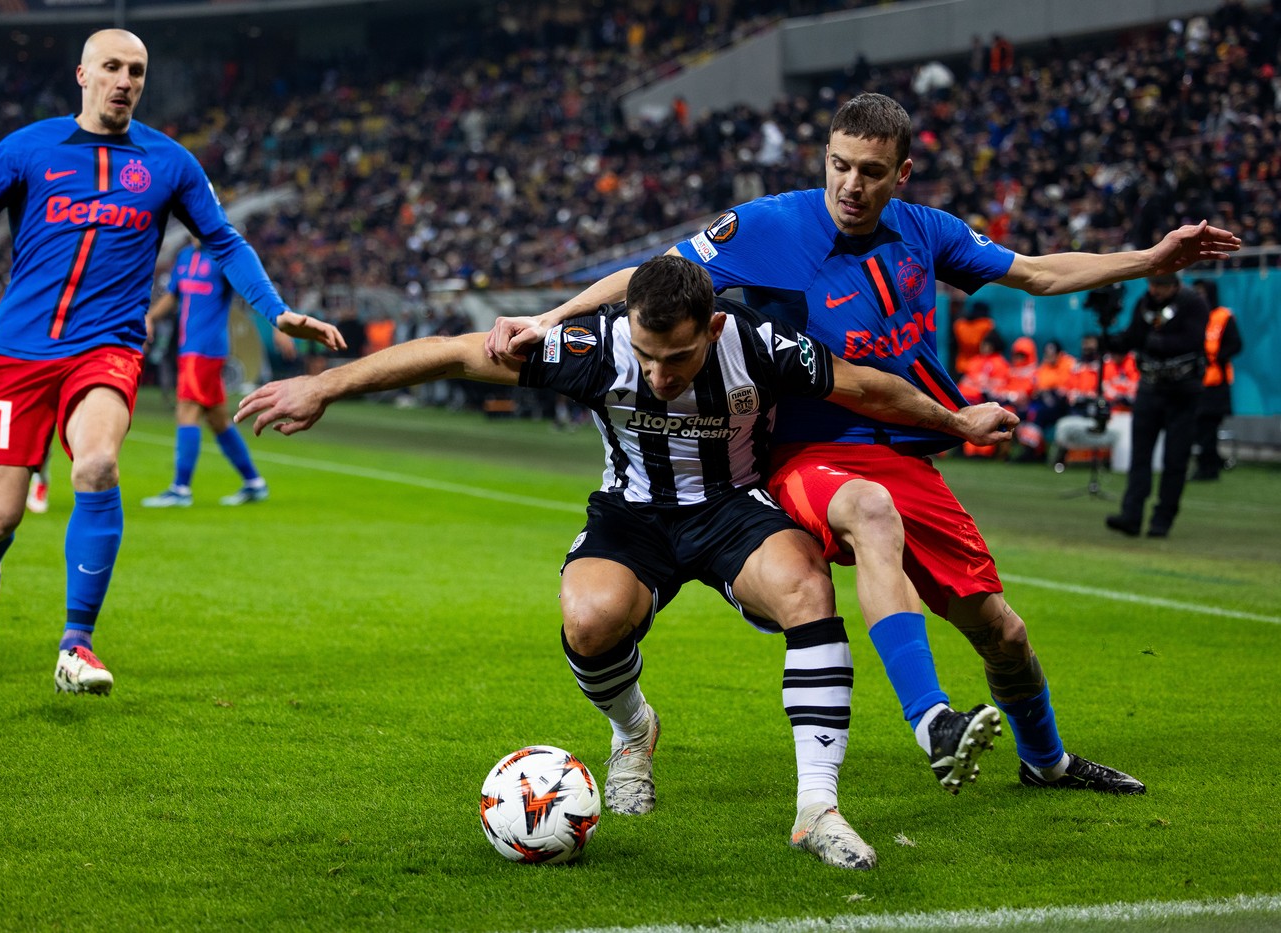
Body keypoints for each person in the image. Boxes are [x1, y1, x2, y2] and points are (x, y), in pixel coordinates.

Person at [489, 93, 1241, 795]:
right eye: (838, 165)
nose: (850, 184)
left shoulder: (928, 231)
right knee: (871, 513)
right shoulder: (771, 226)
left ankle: (1045, 761)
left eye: (871, 171)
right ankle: (932, 719)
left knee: (1001, 631)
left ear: (901, 173)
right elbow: (653, 276)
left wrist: (1150, 259)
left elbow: (1038, 273)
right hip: (810, 455)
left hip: (906, 448)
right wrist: (549, 319)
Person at [237, 255, 1017, 870]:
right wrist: (326, 388)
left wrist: (957, 421)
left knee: (807, 588)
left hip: (730, 509)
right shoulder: (591, 345)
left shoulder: (758, 344)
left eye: (676, 358)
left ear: (711, 328)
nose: (658, 375)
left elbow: (868, 388)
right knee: (588, 618)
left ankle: (818, 809)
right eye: (646, 355)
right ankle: (633, 729)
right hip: (631, 515)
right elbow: (450, 355)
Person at [0, 29, 344, 695]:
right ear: (83, 74)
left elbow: (223, 238)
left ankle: (77, 642)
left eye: (137, 70)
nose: (125, 79)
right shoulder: (27, 149)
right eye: (112, 67)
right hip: (17, 354)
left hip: (107, 349)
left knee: (97, 463)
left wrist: (275, 310)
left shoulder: (169, 162)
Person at [140, 240, 285, 508]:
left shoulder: (223, 256)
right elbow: (173, 295)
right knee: (217, 420)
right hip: (188, 348)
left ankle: (180, 489)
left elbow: (251, 289)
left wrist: (279, 323)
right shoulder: (184, 257)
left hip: (206, 350)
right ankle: (254, 483)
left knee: (187, 411)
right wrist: (150, 317)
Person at [1103, 272, 1211, 538]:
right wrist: (1111, 335)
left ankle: (1162, 520)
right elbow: (1133, 337)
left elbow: (1192, 340)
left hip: (1183, 392)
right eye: (1152, 285)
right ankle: (1131, 515)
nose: (1155, 291)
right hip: (1150, 388)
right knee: (1141, 457)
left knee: (1175, 458)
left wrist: (1154, 342)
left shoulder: (1193, 304)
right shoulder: (1145, 302)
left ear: (1174, 285)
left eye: (1160, 286)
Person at [1189, 279, 1243, 481]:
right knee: (1197, 427)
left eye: (1202, 292)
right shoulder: (1194, 316)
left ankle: (1209, 468)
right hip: (1195, 381)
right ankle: (1210, 462)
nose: (1199, 296)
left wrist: (1216, 357)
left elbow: (1236, 344)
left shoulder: (1223, 316)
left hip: (1216, 383)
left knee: (1208, 426)